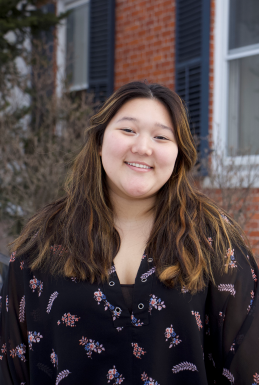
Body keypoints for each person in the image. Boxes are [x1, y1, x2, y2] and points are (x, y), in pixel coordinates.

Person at [0, 81, 258, 385]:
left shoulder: (214, 239)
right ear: (99, 141)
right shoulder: (44, 241)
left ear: (178, 154)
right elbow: (12, 364)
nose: (142, 147)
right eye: (128, 130)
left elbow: (247, 363)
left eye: (161, 136)